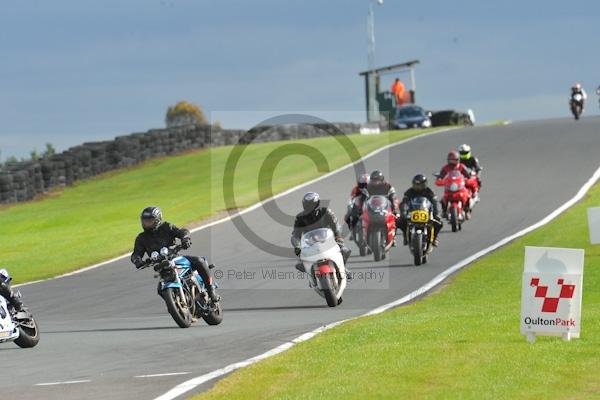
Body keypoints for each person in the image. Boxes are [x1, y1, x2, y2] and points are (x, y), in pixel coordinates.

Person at [131, 206, 220, 303]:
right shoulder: (141, 238)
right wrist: (137, 261)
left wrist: (185, 238)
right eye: (144, 221)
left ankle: (211, 290)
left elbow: (182, 231)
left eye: (149, 221)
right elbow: (136, 254)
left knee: (199, 261)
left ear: (157, 220)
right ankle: (177, 305)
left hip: (175, 258)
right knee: (160, 289)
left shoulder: (166, 227)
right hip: (161, 266)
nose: (146, 224)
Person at [291, 192, 351, 274]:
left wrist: (338, 237)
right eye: (308, 205)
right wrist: (297, 247)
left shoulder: (326, 211)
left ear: (317, 204)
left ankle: (343, 269)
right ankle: (311, 275)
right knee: (300, 264)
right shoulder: (300, 217)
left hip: (328, 240)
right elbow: (295, 235)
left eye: (312, 205)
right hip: (310, 244)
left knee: (344, 250)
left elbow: (335, 225)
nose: (310, 207)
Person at [398, 174, 443, 246]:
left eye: (420, 185)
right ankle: (405, 236)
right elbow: (404, 203)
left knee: (439, 223)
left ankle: (434, 238)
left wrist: (437, 213)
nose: (418, 187)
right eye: (416, 185)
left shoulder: (429, 192)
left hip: (426, 213)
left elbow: (435, 203)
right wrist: (403, 212)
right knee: (399, 222)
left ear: (424, 184)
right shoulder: (409, 192)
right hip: (413, 213)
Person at [437, 150, 478, 215]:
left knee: (468, 194)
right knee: (443, 199)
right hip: (450, 185)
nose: (452, 162)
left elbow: (467, 175)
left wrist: (467, 178)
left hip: (460, 185)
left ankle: (467, 208)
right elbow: (441, 176)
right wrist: (439, 179)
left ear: (458, 160)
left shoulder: (461, 166)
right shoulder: (445, 168)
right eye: (451, 160)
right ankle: (444, 211)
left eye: (454, 160)